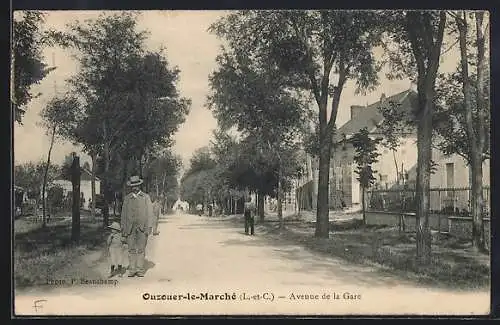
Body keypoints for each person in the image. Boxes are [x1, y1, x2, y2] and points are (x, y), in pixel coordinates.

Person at [120, 175, 154, 277]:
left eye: (137, 185)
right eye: (133, 186)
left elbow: (150, 213)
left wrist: (149, 227)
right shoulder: (127, 198)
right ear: (131, 187)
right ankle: (132, 269)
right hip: (130, 228)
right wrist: (123, 228)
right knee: (131, 249)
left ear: (140, 185)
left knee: (141, 249)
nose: (135, 188)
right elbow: (123, 214)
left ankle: (139, 269)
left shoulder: (146, 197)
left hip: (142, 228)